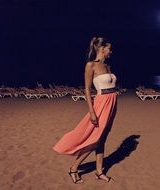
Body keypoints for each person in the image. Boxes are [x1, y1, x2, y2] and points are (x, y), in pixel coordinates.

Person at [53, 37, 118, 184]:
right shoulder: (91, 65)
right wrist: (92, 111)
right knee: (96, 140)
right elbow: (87, 90)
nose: (111, 52)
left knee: (102, 139)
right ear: (102, 49)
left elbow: (112, 86)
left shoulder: (108, 66)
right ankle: (74, 168)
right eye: (109, 49)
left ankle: (99, 171)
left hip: (112, 104)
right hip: (101, 104)